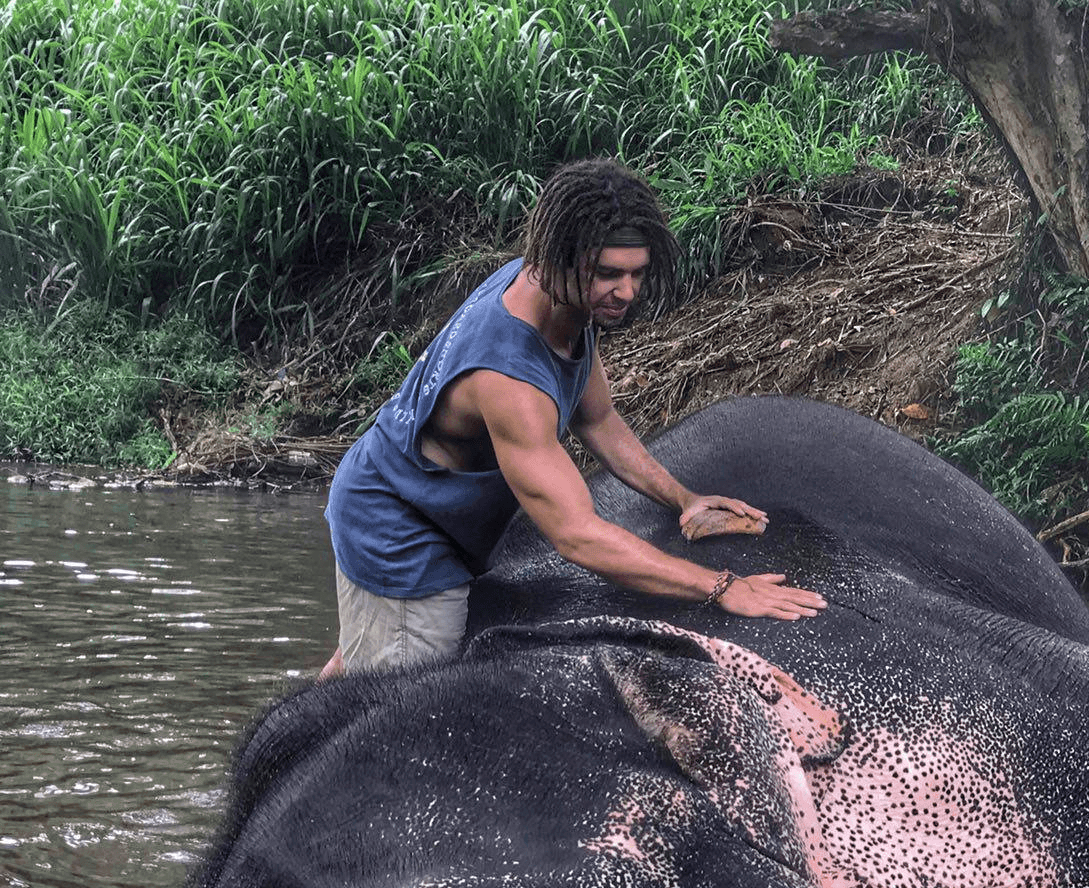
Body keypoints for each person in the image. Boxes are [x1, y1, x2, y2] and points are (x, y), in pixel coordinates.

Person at [320, 158, 826, 676]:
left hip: (434, 508)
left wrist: (684, 499)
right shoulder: (509, 379)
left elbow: (599, 419)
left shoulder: (563, 299)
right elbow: (577, 535)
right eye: (608, 274)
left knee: (368, 648)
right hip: (399, 528)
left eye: (637, 273)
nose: (626, 292)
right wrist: (721, 587)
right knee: (408, 703)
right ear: (562, 259)